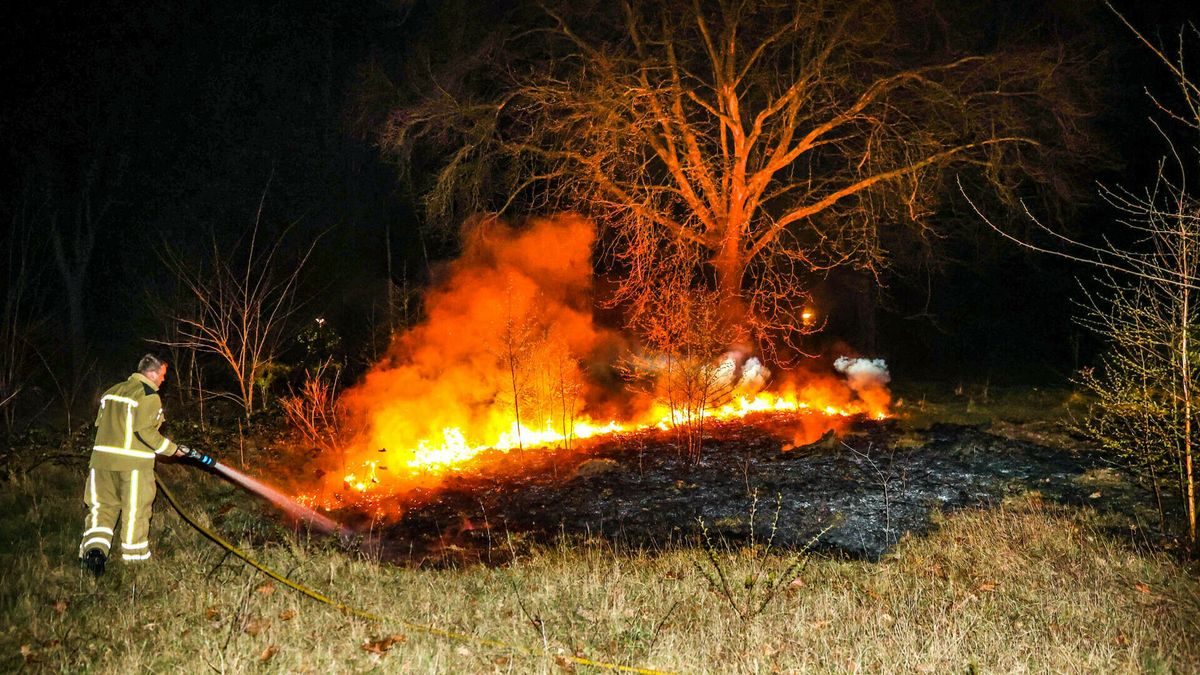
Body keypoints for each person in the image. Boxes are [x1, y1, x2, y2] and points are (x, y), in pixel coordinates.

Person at [79, 353, 216, 577]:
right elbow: (144, 432)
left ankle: (94, 552)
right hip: (132, 466)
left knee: (101, 508)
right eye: (162, 375)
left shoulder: (112, 392)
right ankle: (135, 563)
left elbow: (102, 425)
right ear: (152, 374)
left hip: (101, 464)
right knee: (136, 511)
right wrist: (173, 450)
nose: (163, 380)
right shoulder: (149, 396)